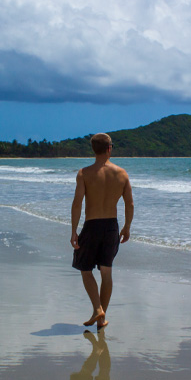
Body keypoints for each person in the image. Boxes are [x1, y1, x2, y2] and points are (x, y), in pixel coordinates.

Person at [71, 133, 133, 329]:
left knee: (85, 268)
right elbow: (129, 204)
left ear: (93, 149)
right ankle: (101, 318)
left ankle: (98, 309)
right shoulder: (122, 174)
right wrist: (127, 227)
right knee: (106, 272)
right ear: (109, 149)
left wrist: (74, 231)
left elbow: (77, 204)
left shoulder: (84, 173)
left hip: (92, 226)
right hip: (111, 227)